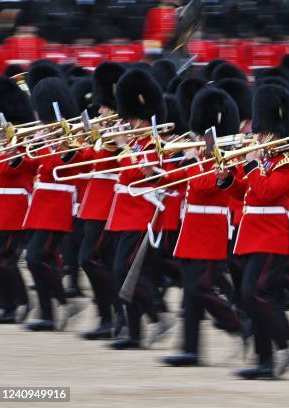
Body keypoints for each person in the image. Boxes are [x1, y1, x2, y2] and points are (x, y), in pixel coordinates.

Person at [218, 84, 289, 379]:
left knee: (256, 292)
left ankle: (285, 344)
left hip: (273, 233)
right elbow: (246, 194)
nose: (257, 137)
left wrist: (252, 166)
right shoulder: (266, 161)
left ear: (274, 132)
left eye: (262, 132)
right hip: (253, 232)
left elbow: (267, 192)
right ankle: (264, 359)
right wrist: (227, 179)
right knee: (249, 296)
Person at [162, 86, 245, 367]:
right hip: (193, 227)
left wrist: (194, 161)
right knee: (190, 293)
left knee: (200, 288)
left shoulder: (226, 159)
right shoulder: (201, 158)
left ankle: (239, 325)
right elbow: (174, 181)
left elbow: (204, 184)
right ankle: (190, 349)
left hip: (210, 228)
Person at [105, 68, 173, 350]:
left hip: (140, 214)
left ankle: (157, 317)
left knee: (127, 271)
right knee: (122, 273)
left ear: (145, 119)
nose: (128, 124)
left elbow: (147, 174)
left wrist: (124, 147)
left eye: (132, 119)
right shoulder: (135, 143)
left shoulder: (153, 144)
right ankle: (134, 334)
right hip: (123, 213)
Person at [23, 77, 87, 331]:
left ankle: (62, 302)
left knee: (37, 258)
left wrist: (51, 143)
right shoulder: (46, 137)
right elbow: (31, 166)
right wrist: (31, 144)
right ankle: (47, 313)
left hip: (58, 203)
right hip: (40, 203)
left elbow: (68, 166)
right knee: (38, 260)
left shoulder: (69, 139)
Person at [77, 61, 127, 340]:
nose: (99, 110)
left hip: (108, 202)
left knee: (91, 259)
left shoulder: (121, 131)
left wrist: (110, 139)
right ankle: (108, 316)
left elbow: (116, 161)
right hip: (94, 202)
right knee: (98, 261)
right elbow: (86, 161)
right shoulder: (103, 130)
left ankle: (117, 314)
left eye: (104, 106)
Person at [0, 76, 35, 324]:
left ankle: (21, 302)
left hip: (13, 208)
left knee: (4, 259)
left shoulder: (18, 142)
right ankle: (7, 304)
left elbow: (15, 170)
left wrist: (7, 149)